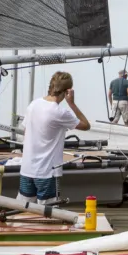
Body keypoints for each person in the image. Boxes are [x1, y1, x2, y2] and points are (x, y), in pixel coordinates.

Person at [18, 72, 90, 204]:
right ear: (68, 91)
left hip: (27, 169)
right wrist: (72, 104)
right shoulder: (60, 112)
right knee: (48, 214)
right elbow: (86, 125)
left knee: (23, 210)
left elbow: (26, 132)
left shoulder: (33, 104)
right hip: (47, 172)